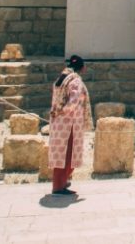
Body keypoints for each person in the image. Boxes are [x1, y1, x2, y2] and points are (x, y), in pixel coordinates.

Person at [48, 54, 93, 196]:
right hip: (69, 124)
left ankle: (61, 182)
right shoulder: (75, 81)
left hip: (58, 123)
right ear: (82, 68)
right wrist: (63, 111)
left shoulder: (61, 79)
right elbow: (73, 102)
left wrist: (57, 112)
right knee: (68, 154)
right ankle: (59, 186)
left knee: (60, 154)